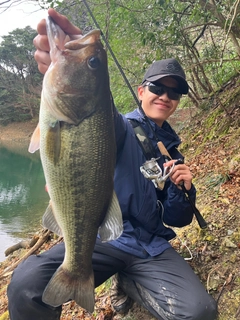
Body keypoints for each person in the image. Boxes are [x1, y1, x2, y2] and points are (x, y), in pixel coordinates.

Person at [7, 9, 218, 320]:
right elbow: (92, 113)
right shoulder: (116, 125)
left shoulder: (172, 151)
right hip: (104, 238)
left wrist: (184, 189)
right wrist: (75, 56)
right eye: (158, 87)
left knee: (200, 313)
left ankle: (132, 283)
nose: (166, 96)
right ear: (142, 91)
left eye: (175, 92)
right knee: (26, 286)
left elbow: (178, 218)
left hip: (151, 247)